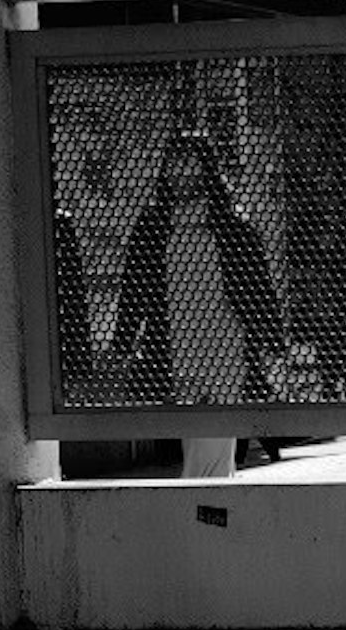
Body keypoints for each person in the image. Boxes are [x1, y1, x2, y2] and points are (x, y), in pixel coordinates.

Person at [114, 132, 282, 471]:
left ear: (206, 168)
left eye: (189, 161)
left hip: (225, 343)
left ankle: (206, 504)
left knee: (215, 432)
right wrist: (124, 341)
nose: (180, 171)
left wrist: (271, 339)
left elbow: (256, 285)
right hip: (175, 344)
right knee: (196, 434)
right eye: (174, 162)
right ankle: (212, 506)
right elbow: (135, 287)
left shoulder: (231, 225)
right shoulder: (152, 225)